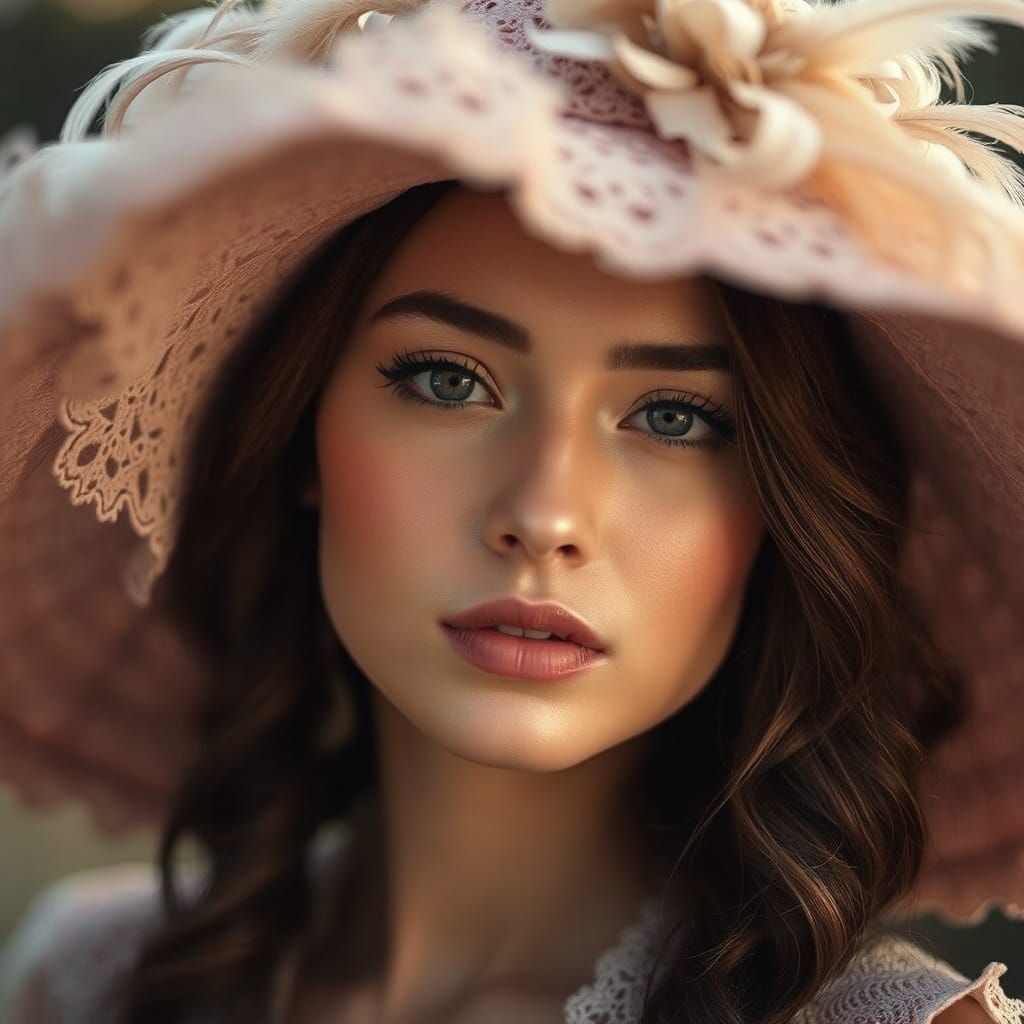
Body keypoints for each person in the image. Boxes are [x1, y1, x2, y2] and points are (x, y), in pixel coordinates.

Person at [0, 0, 1022, 1021]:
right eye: (447, 381)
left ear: (780, 511)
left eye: (674, 416)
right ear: (303, 427)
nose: (543, 515)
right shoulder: (86, 978)